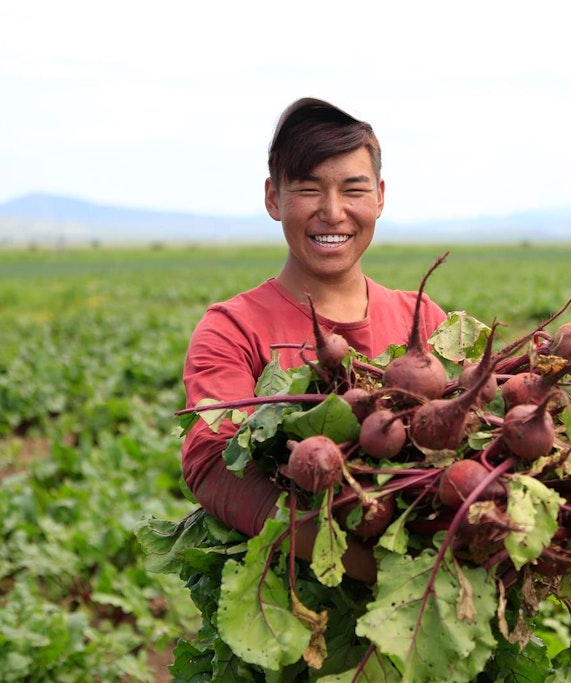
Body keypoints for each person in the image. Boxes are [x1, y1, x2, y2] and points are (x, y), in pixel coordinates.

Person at [180, 98, 448, 583]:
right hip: (293, 610)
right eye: (308, 189)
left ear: (380, 197)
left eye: (353, 190)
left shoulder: (425, 319)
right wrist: (360, 565)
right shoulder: (232, 328)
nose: (333, 211)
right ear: (273, 198)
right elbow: (211, 463)